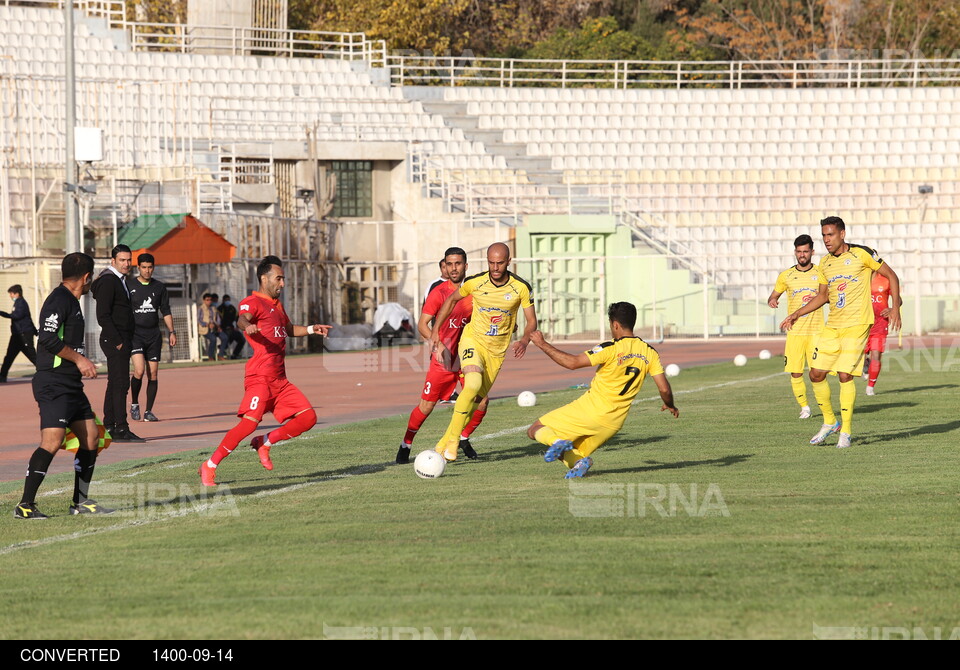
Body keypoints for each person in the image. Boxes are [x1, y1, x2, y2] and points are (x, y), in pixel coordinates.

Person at [199, 256, 331, 486]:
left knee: (309, 418)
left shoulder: (277, 306)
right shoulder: (253, 301)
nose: (282, 283)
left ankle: (265, 442)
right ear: (264, 278)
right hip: (260, 378)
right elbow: (243, 318)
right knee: (248, 424)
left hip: (280, 380)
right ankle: (209, 465)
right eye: (278, 279)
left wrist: (311, 328)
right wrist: (247, 326)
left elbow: (289, 329)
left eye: (283, 279)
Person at [780, 216, 902, 449]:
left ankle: (845, 431)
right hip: (832, 327)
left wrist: (895, 307)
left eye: (831, 235)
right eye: (824, 235)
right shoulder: (825, 263)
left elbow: (892, 276)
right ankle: (830, 422)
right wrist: (797, 313)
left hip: (857, 326)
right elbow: (823, 296)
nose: (827, 239)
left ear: (842, 234)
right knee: (815, 374)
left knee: (845, 375)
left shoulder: (862, 254)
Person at [527, 302, 679, 478]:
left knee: (535, 428)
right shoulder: (649, 352)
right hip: (613, 423)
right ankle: (578, 463)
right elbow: (664, 389)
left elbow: (572, 363)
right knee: (572, 451)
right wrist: (670, 405)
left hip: (590, 411)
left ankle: (556, 441)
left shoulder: (610, 348)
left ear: (614, 324)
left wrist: (542, 344)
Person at [14, 253, 112, 518]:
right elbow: (46, 337)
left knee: (91, 438)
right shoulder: (59, 300)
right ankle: (25, 505)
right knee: (52, 441)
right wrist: (80, 359)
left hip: (71, 384)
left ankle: (80, 503)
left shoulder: (72, 300)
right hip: (53, 382)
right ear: (86, 277)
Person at [429, 242, 537, 461]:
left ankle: (443, 443)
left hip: (497, 351)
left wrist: (525, 339)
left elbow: (532, 320)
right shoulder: (475, 282)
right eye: (491, 263)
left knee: (476, 400)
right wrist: (435, 331)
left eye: (499, 263)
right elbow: (451, 300)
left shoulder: (521, 287)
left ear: (509, 261)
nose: (495, 268)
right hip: (473, 341)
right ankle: (452, 442)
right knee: (473, 384)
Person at [396, 247, 489, 465]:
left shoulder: (475, 292)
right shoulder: (439, 293)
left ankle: (463, 438)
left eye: (458, 263)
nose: (454, 268)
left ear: (466, 266)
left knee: (482, 401)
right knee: (426, 407)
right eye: (449, 264)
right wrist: (436, 345)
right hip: (443, 360)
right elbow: (422, 324)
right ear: (444, 267)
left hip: (468, 357)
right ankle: (406, 444)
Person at [767, 234, 825, 419]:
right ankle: (805, 407)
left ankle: (824, 406)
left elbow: (827, 296)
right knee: (796, 372)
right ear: (795, 252)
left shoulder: (821, 273)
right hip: (795, 332)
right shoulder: (786, 276)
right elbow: (773, 295)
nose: (802, 255)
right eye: (799, 251)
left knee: (818, 373)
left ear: (812, 252)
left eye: (805, 251)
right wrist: (773, 299)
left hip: (816, 331)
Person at [92, 244, 144, 442]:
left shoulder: (120, 281)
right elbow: (103, 315)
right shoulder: (108, 281)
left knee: (115, 383)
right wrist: (118, 341)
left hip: (122, 338)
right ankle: (121, 428)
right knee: (120, 384)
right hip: (115, 339)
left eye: (129, 260)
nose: (127, 264)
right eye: (122, 260)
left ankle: (111, 426)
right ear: (113, 261)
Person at [126, 253, 176, 422]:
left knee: (153, 373)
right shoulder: (129, 285)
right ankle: (134, 403)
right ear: (138, 267)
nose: (147, 271)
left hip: (154, 335)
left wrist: (172, 331)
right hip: (135, 335)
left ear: (153, 267)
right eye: (144, 267)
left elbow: (166, 310)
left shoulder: (159, 287)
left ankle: (148, 411)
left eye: (150, 267)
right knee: (139, 370)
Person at [0, 284, 38, 382]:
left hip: (24, 334)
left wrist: (2, 313)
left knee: (32, 355)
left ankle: (46, 373)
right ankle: (2, 376)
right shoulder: (18, 303)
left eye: (12, 294)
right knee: (9, 356)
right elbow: (28, 318)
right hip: (17, 335)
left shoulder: (21, 303)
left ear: (17, 294)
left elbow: (17, 316)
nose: (11, 296)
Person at [863, 271, 892, 396]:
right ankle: (865, 364)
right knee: (859, 354)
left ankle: (870, 386)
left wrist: (892, 309)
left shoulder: (885, 280)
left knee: (876, 355)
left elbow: (898, 300)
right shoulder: (858, 279)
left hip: (880, 324)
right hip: (862, 323)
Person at [197, 293, 227, 361]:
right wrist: (207, 324)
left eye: (210, 300)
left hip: (214, 328)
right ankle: (210, 357)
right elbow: (198, 320)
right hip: (205, 329)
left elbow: (217, 318)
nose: (209, 301)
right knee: (213, 339)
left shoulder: (213, 308)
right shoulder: (201, 308)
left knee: (225, 337)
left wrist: (218, 326)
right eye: (207, 300)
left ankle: (220, 355)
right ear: (204, 300)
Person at [218, 294, 245, 359]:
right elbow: (219, 320)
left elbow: (237, 318)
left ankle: (234, 355)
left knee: (242, 340)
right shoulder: (220, 308)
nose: (228, 301)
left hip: (232, 328)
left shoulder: (232, 308)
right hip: (223, 329)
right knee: (227, 336)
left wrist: (238, 327)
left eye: (228, 300)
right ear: (223, 300)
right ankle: (221, 349)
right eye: (226, 300)